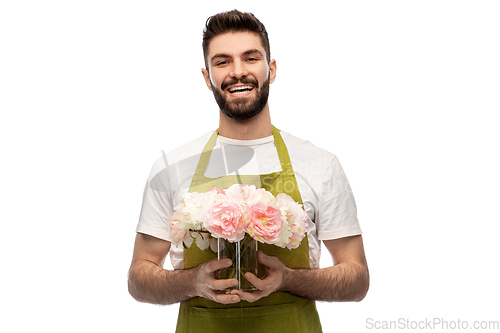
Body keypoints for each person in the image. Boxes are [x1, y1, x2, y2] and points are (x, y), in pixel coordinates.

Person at [128, 10, 369, 333]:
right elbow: (139, 279)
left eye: (250, 58)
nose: (237, 72)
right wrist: (192, 282)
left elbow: (356, 278)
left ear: (270, 69)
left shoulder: (319, 164)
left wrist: (290, 280)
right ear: (206, 76)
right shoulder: (172, 168)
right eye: (222, 61)